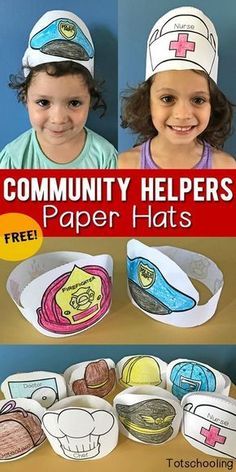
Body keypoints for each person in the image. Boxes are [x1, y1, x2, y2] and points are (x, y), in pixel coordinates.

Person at [118, 6, 236, 169]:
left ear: (213, 104)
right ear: (147, 102)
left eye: (198, 100)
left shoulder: (225, 167)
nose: (182, 114)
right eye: (168, 99)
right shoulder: (125, 165)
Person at [0, 10, 117, 169]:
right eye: (43, 102)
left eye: (74, 103)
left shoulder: (106, 159)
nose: (58, 119)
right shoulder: (14, 160)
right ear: (25, 97)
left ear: (90, 98)